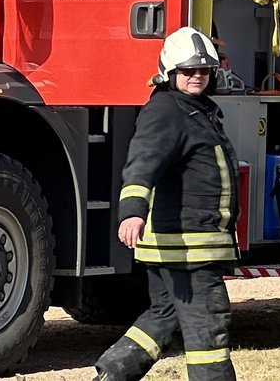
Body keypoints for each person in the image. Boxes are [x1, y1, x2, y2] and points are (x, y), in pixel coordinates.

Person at [95, 29, 239, 381]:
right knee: (208, 326)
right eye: (188, 70)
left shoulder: (194, 109)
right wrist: (132, 212)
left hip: (182, 242)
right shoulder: (166, 111)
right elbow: (142, 162)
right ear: (169, 73)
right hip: (189, 246)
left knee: (164, 315)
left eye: (204, 70)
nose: (197, 76)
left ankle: (111, 375)